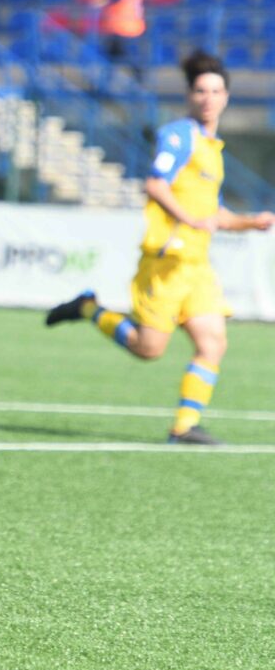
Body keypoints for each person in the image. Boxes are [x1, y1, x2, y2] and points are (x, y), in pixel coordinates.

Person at [46, 52, 274, 445]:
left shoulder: (212, 149)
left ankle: (184, 427)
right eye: (201, 90)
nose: (208, 98)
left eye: (216, 91)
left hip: (197, 267)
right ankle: (88, 307)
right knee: (147, 348)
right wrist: (188, 219)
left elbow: (213, 211)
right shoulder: (178, 135)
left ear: (227, 97)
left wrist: (249, 222)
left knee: (213, 342)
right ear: (189, 95)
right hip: (166, 262)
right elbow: (155, 185)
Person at [93, 0, 145, 82]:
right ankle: (105, 84)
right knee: (111, 56)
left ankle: (140, 81)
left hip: (121, 24)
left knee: (123, 56)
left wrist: (103, 0)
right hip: (128, 24)